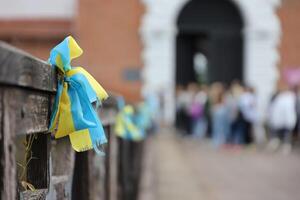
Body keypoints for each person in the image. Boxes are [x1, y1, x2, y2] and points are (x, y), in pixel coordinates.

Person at [267, 84, 297, 154]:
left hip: (287, 118)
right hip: (280, 119)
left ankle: (286, 146)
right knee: (279, 133)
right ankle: (277, 144)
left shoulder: (291, 96)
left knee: (287, 133)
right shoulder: (278, 96)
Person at [211, 83, 230, 148]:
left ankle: (216, 143)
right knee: (222, 128)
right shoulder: (223, 95)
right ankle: (221, 142)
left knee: (217, 127)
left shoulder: (214, 95)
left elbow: (213, 104)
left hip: (217, 111)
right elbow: (225, 103)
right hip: (222, 110)